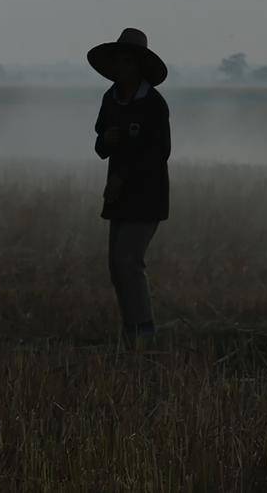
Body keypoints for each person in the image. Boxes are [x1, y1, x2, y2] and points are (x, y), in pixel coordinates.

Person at [87, 27, 171, 347]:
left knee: (128, 261)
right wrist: (105, 141)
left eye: (125, 62)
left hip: (147, 195)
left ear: (137, 65)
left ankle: (144, 333)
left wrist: (124, 178)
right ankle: (131, 331)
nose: (119, 68)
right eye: (117, 62)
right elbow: (101, 145)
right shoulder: (111, 99)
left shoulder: (153, 104)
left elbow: (159, 153)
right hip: (118, 194)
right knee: (116, 266)